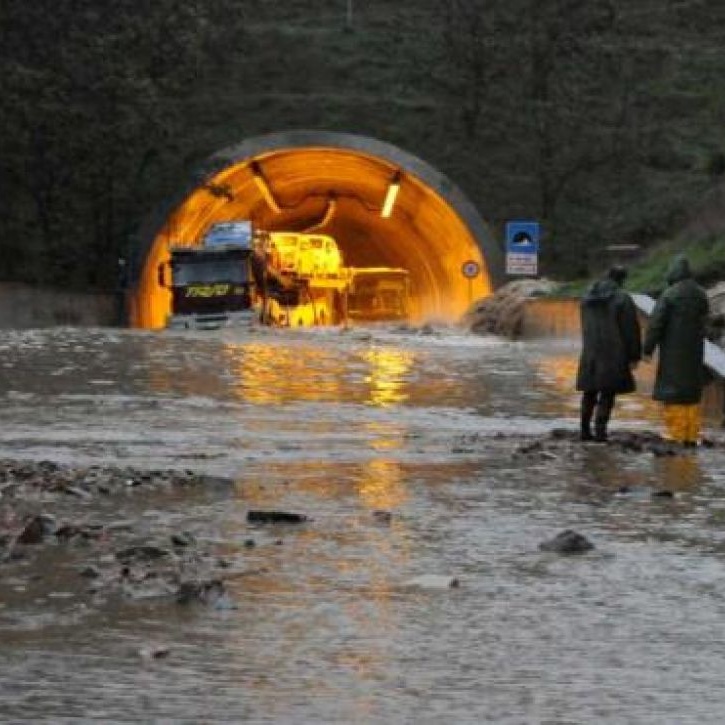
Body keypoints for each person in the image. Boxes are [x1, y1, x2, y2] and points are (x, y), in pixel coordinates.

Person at [642, 254, 710, 445]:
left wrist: (647, 349)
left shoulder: (669, 294)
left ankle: (677, 434)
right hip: (695, 350)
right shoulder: (700, 293)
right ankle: (691, 434)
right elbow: (706, 319)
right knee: (691, 392)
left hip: (673, 352)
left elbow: (656, 324)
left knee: (674, 392)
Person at [576, 265, 642, 441]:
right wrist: (634, 355)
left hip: (590, 351)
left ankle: (584, 430)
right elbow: (630, 330)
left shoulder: (586, 298)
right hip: (614, 353)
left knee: (589, 392)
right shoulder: (622, 299)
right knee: (607, 393)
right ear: (621, 280)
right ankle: (600, 432)